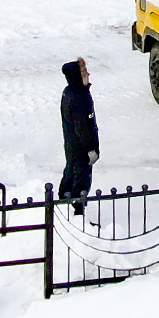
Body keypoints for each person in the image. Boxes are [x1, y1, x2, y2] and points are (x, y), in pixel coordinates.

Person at [60, 58, 99, 216]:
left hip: (72, 146)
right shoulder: (79, 97)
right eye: (83, 72)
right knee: (81, 180)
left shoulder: (70, 92)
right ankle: (76, 213)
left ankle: (64, 202)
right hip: (80, 149)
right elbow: (82, 128)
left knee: (70, 173)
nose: (88, 74)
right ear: (76, 76)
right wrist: (91, 149)